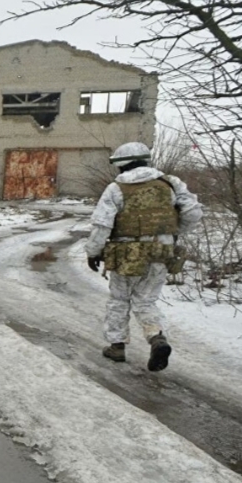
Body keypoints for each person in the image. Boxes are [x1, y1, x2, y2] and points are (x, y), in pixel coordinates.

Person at [84, 142, 203, 371]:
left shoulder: (116, 188)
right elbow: (193, 212)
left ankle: (117, 346)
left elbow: (102, 224)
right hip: (160, 251)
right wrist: (174, 233)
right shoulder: (170, 183)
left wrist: (94, 252)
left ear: (121, 164)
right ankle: (156, 337)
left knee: (120, 299)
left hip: (126, 253)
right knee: (146, 299)